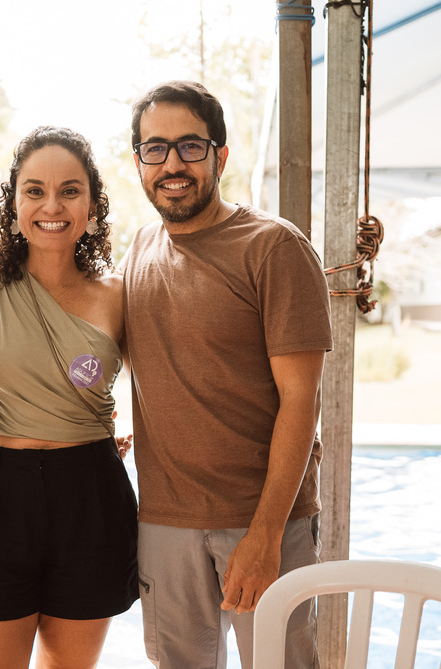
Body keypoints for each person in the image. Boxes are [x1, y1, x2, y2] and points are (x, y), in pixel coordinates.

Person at [122, 80, 333, 668]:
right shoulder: (139, 249)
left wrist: (265, 535)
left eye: (190, 146)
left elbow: (302, 401)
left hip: (261, 519)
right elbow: (113, 358)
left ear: (220, 156)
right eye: (155, 149)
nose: (172, 164)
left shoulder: (273, 247)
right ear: (138, 162)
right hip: (165, 521)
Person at [0, 126, 138, 669]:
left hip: (92, 499)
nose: (51, 206)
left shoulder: (119, 295)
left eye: (69, 191)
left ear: (92, 206)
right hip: (0, 497)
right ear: (13, 205)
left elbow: (164, 389)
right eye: (34, 191)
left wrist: (100, 439)